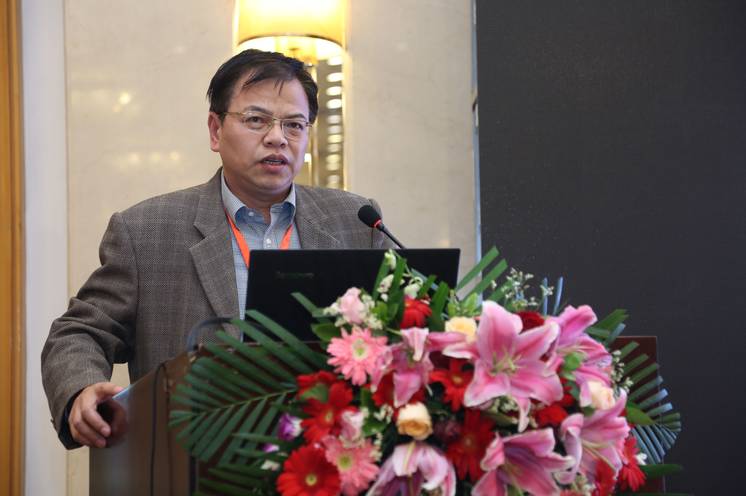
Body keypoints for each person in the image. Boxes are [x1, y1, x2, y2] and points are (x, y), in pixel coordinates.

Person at [41, 49, 393, 449]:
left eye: (294, 125)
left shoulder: (356, 222)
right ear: (215, 130)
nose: (277, 137)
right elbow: (80, 331)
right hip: (194, 459)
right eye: (256, 120)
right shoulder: (146, 231)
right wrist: (81, 389)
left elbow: (398, 332)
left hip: (330, 459)